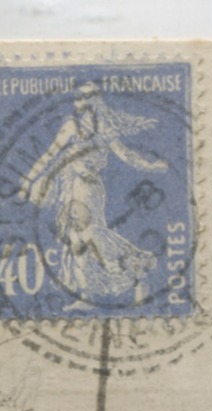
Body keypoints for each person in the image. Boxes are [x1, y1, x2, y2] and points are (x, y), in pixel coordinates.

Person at [17, 84, 168, 309]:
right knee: (77, 240)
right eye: (77, 98)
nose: (79, 103)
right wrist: (29, 180)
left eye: (84, 98)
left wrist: (150, 166)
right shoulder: (71, 126)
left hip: (90, 188)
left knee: (92, 234)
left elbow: (125, 153)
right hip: (69, 184)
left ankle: (137, 264)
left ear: (94, 101)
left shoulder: (103, 127)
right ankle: (88, 294)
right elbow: (50, 154)